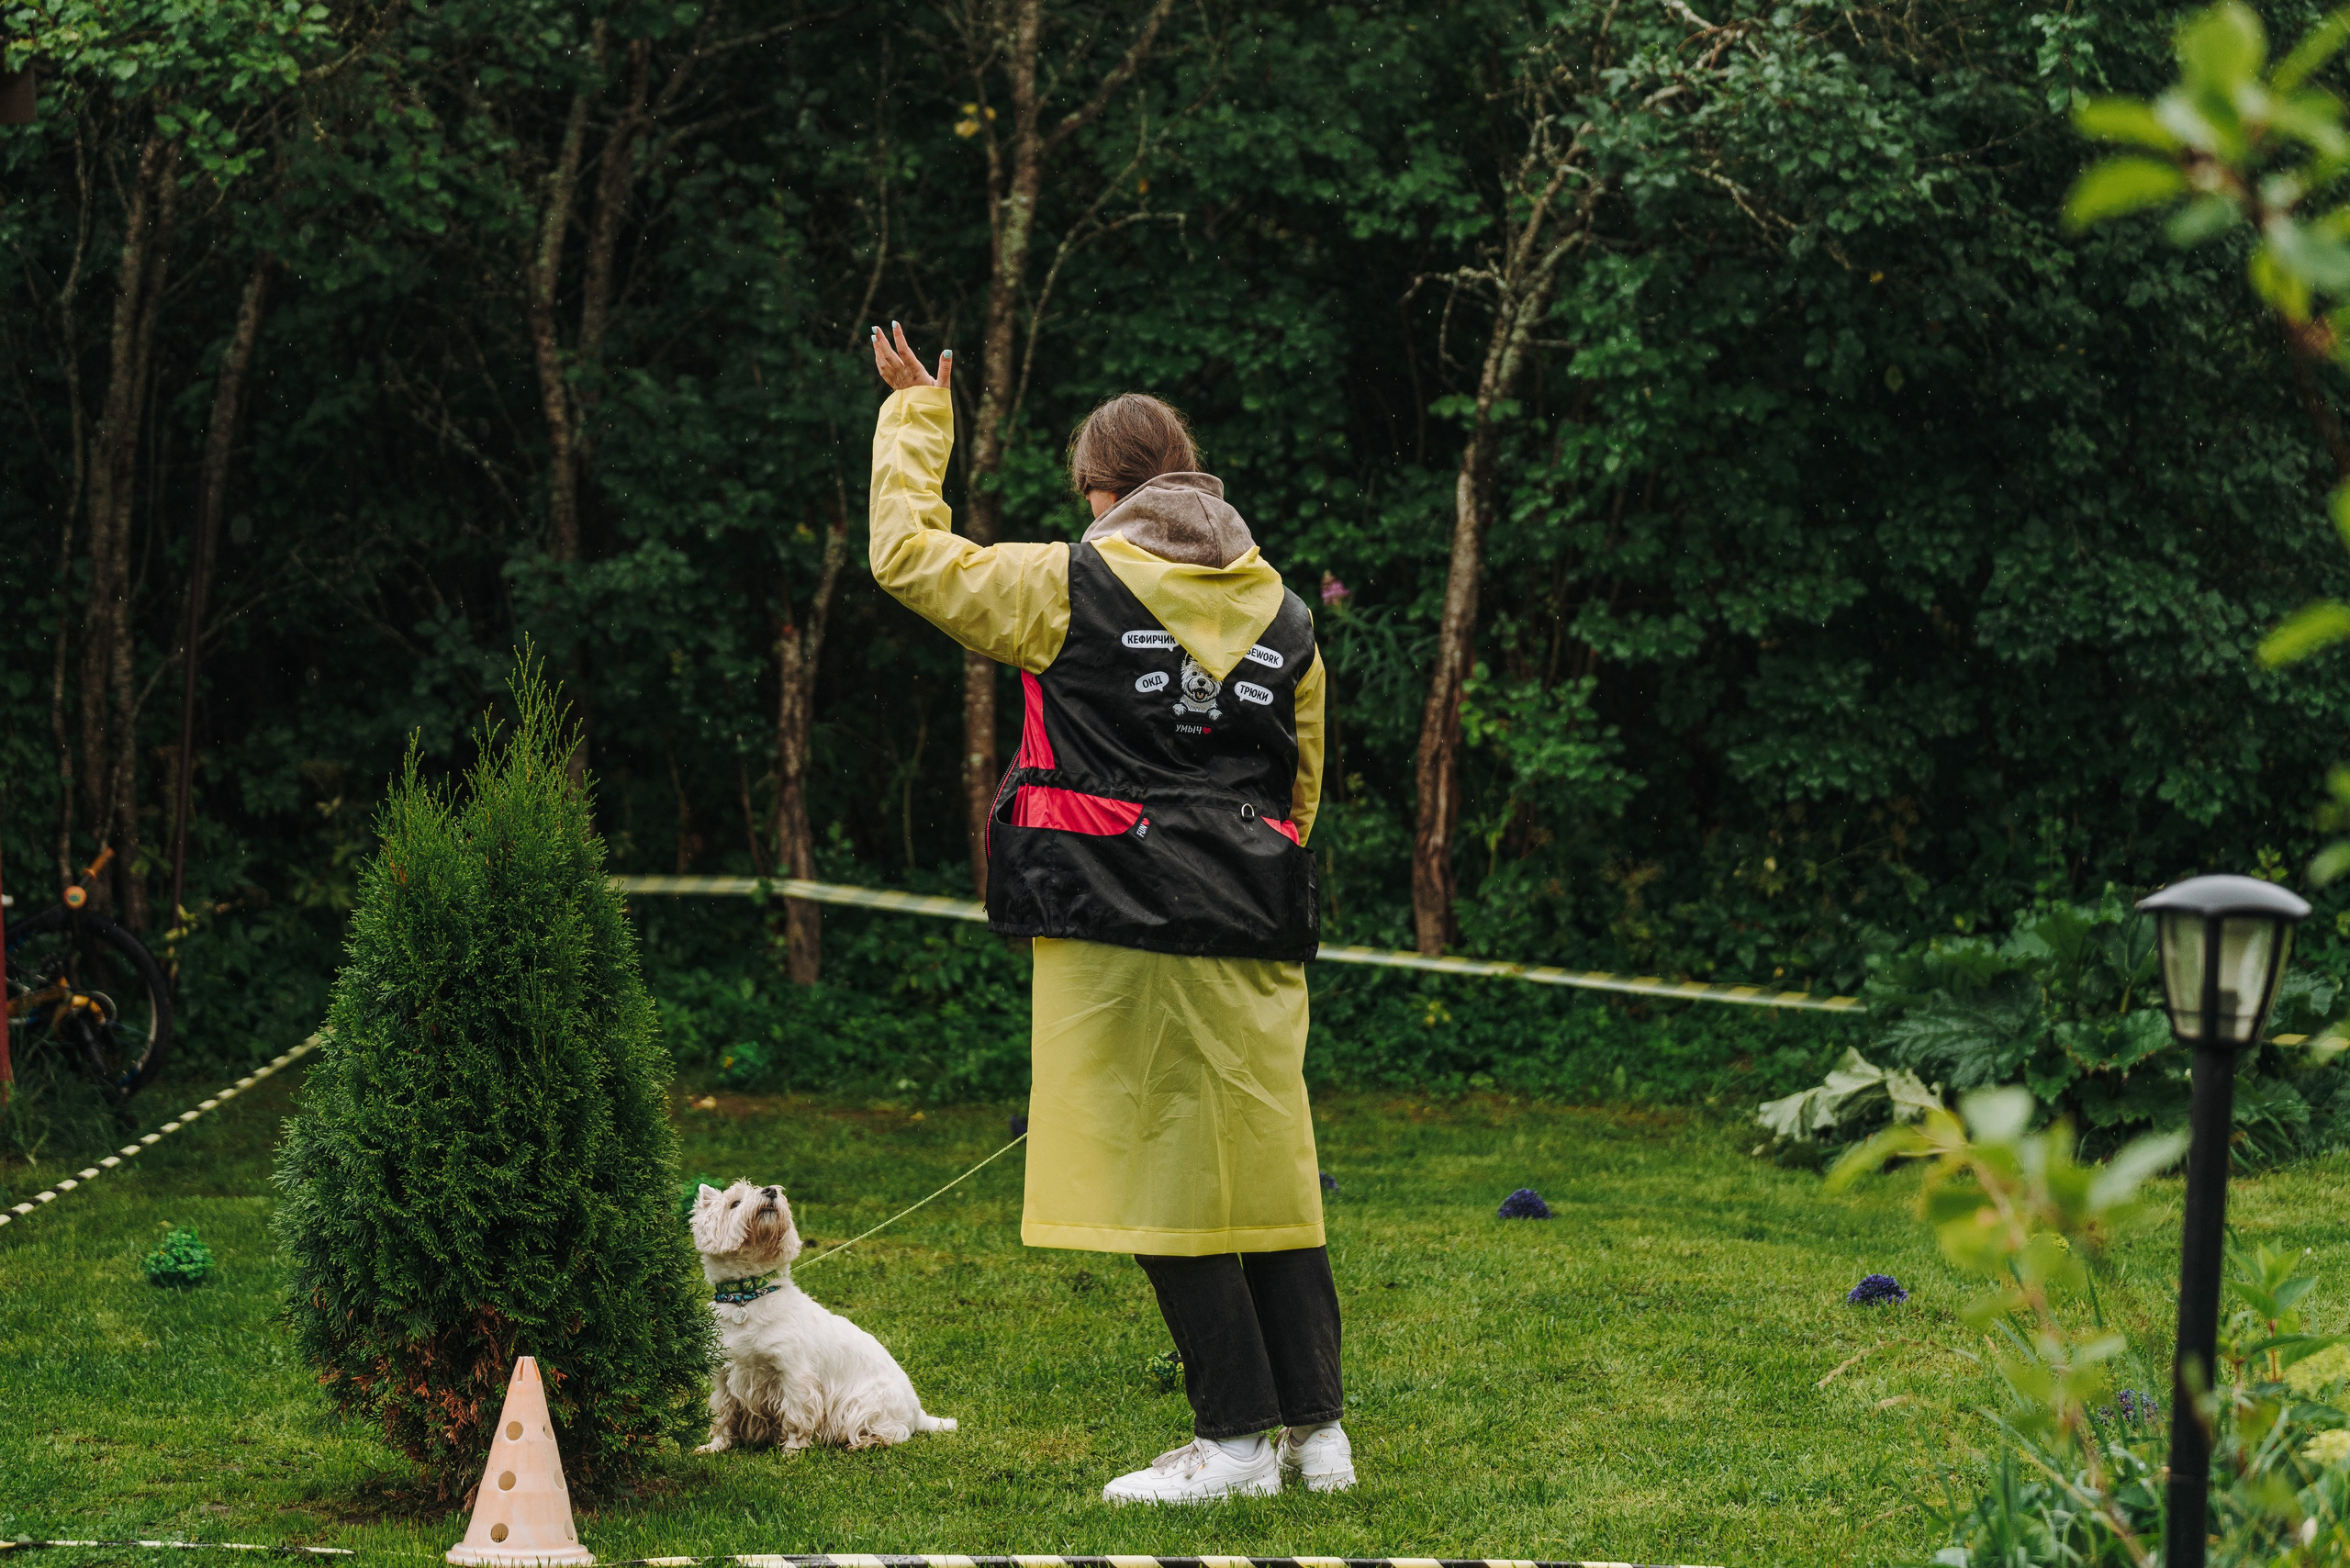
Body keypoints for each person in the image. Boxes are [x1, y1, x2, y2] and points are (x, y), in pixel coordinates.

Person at [867, 323, 1353, 1505]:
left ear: (1103, 492)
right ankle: (1319, 1442)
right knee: (1268, 1178)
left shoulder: (1064, 581)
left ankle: (1233, 1444)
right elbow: (1301, 791)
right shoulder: (1289, 618)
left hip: (1120, 924)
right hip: (1253, 931)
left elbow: (904, 554)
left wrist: (916, 417)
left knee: (1162, 1183)